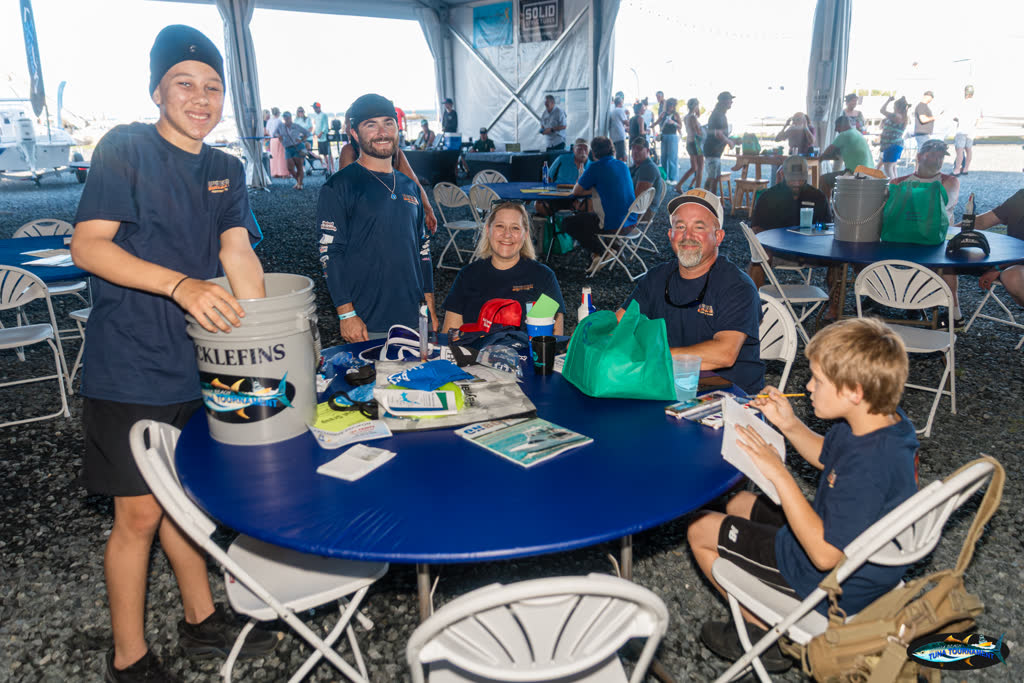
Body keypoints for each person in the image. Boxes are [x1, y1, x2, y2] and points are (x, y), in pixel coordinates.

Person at [69, 24, 274, 681]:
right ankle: (127, 658)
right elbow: (88, 245)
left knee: (188, 499)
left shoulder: (226, 169)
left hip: (200, 363)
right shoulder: (125, 148)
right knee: (139, 513)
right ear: (156, 90)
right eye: (184, 83)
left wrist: (265, 338)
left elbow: (237, 251)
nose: (201, 97)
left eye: (213, 86)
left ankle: (200, 618)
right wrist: (180, 284)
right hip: (130, 364)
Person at [688, 318, 918, 673]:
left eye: (818, 380)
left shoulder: (869, 468)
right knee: (737, 502)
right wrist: (789, 424)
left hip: (832, 582)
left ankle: (763, 634)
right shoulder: (878, 422)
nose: (808, 386)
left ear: (854, 392)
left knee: (699, 529)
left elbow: (824, 556)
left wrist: (779, 473)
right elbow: (829, 455)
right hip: (852, 547)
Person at [619, 189, 764, 394]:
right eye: (680, 226)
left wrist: (652, 355)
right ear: (670, 235)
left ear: (718, 236)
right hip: (669, 385)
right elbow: (618, 325)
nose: (687, 236)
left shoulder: (738, 287)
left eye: (699, 227)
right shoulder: (656, 278)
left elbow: (724, 354)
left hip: (729, 396)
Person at [318, 93, 437, 342]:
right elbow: (330, 252)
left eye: (388, 123)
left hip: (414, 318)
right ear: (354, 133)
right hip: (366, 322)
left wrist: (429, 308)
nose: (382, 132)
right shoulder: (339, 186)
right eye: (371, 125)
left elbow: (423, 250)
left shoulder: (409, 186)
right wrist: (346, 314)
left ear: (397, 128)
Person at [442, 201, 566, 335]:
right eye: (500, 226)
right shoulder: (467, 275)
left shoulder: (543, 277)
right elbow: (450, 333)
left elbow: (554, 338)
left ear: (525, 234)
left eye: (515, 228)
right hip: (474, 349)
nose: (507, 234)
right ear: (488, 230)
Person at [893, 139, 961, 325]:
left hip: (937, 237)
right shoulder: (899, 181)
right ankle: (887, 296)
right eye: (933, 155)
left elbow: (940, 206)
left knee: (946, 262)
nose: (937, 160)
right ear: (919, 156)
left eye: (941, 156)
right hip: (905, 237)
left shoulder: (950, 181)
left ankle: (953, 312)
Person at [338, 116, 438, 234]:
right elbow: (344, 191)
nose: (346, 129)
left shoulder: (350, 150)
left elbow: (413, 182)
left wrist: (428, 210)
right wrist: (428, 210)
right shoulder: (353, 150)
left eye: (348, 124)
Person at [748, 156, 831, 287]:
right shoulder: (769, 197)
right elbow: (755, 228)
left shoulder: (818, 197)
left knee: (839, 262)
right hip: (778, 252)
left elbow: (827, 226)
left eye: (800, 179)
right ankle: (752, 297)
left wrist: (817, 229)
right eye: (792, 179)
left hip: (811, 250)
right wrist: (772, 241)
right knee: (758, 258)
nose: (797, 183)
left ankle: (834, 300)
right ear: (782, 174)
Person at [564, 136, 637, 272]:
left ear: (593, 153)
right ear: (612, 150)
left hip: (614, 225)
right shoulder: (622, 165)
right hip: (631, 222)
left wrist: (592, 188)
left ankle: (602, 251)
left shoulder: (595, 167)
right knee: (588, 218)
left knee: (569, 223)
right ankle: (604, 251)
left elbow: (576, 191)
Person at [970, 190, 1024, 307]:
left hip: (1015, 264)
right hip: (1014, 260)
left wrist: (998, 268)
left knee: (1012, 277)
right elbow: (983, 221)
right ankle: (954, 312)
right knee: (951, 258)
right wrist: (949, 231)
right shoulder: (1021, 196)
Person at [819, 116, 874, 196]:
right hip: (870, 173)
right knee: (836, 176)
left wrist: (820, 158)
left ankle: (826, 204)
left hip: (856, 174)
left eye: (837, 126)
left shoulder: (844, 134)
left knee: (823, 179)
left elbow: (827, 152)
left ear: (842, 125)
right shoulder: (857, 133)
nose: (836, 130)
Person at [704, 91, 737, 194]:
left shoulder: (720, 114)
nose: (731, 102)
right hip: (712, 151)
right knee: (711, 177)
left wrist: (732, 140)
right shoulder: (718, 115)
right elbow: (717, 133)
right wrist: (729, 142)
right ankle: (703, 199)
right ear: (724, 102)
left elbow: (720, 132)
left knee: (715, 178)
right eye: (730, 100)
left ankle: (712, 199)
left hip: (715, 152)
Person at [630, 137, 666, 218]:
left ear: (647, 151)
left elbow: (638, 198)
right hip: (636, 208)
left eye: (639, 148)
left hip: (644, 211)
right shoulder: (635, 166)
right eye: (633, 148)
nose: (635, 151)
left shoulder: (648, 168)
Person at [275, 111, 309, 190]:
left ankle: (299, 184)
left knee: (299, 166)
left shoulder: (296, 126)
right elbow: (274, 133)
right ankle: (298, 181)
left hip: (298, 147)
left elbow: (307, 133)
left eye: (287, 118)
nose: (286, 119)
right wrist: (279, 137)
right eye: (285, 118)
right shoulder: (281, 126)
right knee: (290, 168)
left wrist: (302, 140)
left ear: (290, 118)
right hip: (288, 148)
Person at [877, 96, 910, 179]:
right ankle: (896, 184)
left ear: (897, 107)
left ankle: (893, 184)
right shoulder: (902, 116)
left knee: (888, 168)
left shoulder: (897, 116)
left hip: (892, 145)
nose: (893, 108)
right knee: (893, 167)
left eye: (894, 106)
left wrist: (888, 100)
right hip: (894, 145)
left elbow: (882, 110)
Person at [676, 97, 705, 191]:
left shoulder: (686, 117)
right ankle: (697, 189)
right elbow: (698, 131)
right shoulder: (693, 117)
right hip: (696, 143)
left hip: (689, 142)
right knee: (700, 167)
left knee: (694, 167)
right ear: (696, 106)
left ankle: (679, 185)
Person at [952, 85, 980, 176]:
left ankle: (957, 170)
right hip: (971, 130)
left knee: (959, 150)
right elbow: (978, 119)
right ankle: (966, 169)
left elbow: (955, 117)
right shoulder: (977, 105)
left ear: (965, 92)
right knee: (969, 150)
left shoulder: (962, 103)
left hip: (962, 129)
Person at [657, 97, 682, 183]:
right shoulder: (663, 114)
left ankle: (672, 178)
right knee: (663, 157)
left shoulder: (676, 114)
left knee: (672, 157)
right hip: (664, 136)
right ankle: (664, 177)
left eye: (673, 105)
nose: (671, 106)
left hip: (672, 136)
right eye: (670, 104)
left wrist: (673, 122)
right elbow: (658, 122)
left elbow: (680, 126)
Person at [312, 101, 334, 174]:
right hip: (319, 139)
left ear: (319, 107)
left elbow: (325, 126)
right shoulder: (315, 116)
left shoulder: (324, 115)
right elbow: (316, 126)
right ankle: (327, 168)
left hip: (324, 137)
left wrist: (321, 133)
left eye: (315, 108)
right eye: (314, 108)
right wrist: (314, 133)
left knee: (329, 153)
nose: (314, 109)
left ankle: (332, 168)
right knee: (324, 154)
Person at [267, 106, 288, 178]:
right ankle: (282, 172)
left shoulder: (269, 121)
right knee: (281, 156)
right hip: (279, 139)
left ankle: (274, 172)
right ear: (278, 113)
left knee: (274, 157)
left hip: (272, 140)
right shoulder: (279, 121)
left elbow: (267, 131)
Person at [607, 95, 629, 161]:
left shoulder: (612, 111)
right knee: (621, 156)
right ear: (621, 102)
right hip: (620, 136)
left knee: (618, 154)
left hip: (613, 137)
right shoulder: (620, 110)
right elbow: (626, 122)